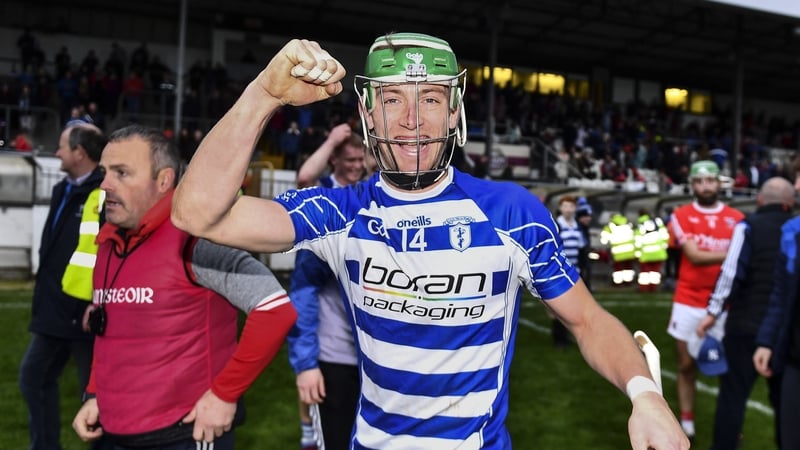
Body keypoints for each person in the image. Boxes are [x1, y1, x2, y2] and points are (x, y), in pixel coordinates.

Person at [172, 33, 688, 449]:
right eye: (392, 99)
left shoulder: (510, 212)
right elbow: (196, 212)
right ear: (368, 115)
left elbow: (587, 319)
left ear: (455, 112)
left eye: (432, 99)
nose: (412, 118)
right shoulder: (340, 212)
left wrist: (645, 395)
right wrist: (264, 93)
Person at [71, 124, 297, 449]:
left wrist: (224, 395)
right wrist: (95, 394)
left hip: (185, 434)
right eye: (105, 172)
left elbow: (274, 311)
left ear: (163, 181)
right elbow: (109, 332)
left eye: (121, 173)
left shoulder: (196, 240)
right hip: (112, 431)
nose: (105, 184)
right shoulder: (110, 241)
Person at [19, 122, 109, 450]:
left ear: (80, 153)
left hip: (86, 313)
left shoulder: (104, 195)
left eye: (61, 146)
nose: (56, 152)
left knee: (97, 398)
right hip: (54, 311)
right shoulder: (64, 189)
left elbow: (109, 253)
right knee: (33, 379)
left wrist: (97, 300)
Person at [697, 176, 795, 450]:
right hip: (784, 332)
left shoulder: (748, 226)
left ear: (760, 200)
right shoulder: (794, 230)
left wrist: (712, 313)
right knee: (787, 405)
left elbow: (730, 273)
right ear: (789, 203)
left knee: (732, 397)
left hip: (745, 325)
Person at [289, 124, 369, 450]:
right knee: (333, 434)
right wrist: (332, 138)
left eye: (359, 159)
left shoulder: (366, 193)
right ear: (335, 159)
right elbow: (303, 179)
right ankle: (308, 429)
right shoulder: (323, 194)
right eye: (348, 159)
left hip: (370, 349)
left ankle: (310, 429)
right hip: (333, 345)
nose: (355, 166)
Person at [666, 159, 744, 440]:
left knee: (728, 369)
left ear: (719, 182)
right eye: (699, 181)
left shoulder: (737, 219)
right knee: (686, 365)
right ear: (692, 186)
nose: (705, 186)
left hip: (725, 305)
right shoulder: (680, 215)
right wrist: (735, 252)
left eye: (710, 180)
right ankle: (687, 421)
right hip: (688, 301)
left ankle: (730, 422)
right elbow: (695, 256)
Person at [753, 158, 800, 450]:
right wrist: (767, 341)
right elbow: (781, 295)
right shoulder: (792, 232)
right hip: (795, 362)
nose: (796, 187)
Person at [551, 195, 585, 347]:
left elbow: (582, 248)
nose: (568, 209)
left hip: (574, 271)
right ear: (560, 208)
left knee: (574, 307)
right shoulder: (556, 225)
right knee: (558, 308)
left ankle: (568, 336)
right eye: (565, 206)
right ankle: (559, 338)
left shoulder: (578, 227)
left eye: (571, 206)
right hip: (558, 272)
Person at [634, 208, 669, 292]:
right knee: (655, 271)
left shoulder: (640, 224)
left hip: (645, 253)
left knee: (645, 272)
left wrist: (637, 253)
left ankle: (644, 288)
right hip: (658, 252)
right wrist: (664, 245)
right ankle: (653, 288)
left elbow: (637, 239)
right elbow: (665, 235)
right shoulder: (657, 221)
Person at [601, 212, 637, 286]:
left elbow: (604, 239)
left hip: (618, 251)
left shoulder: (610, 226)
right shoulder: (627, 223)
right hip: (629, 250)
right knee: (628, 267)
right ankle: (628, 282)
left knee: (618, 268)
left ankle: (618, 283)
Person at [575, 197, 594, 290]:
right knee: (583, 267)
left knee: (585, 267)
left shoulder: (582, 227)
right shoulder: (579, 227)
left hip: (582, 248)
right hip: (580, 249)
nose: (588, 219)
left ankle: (585, 287)